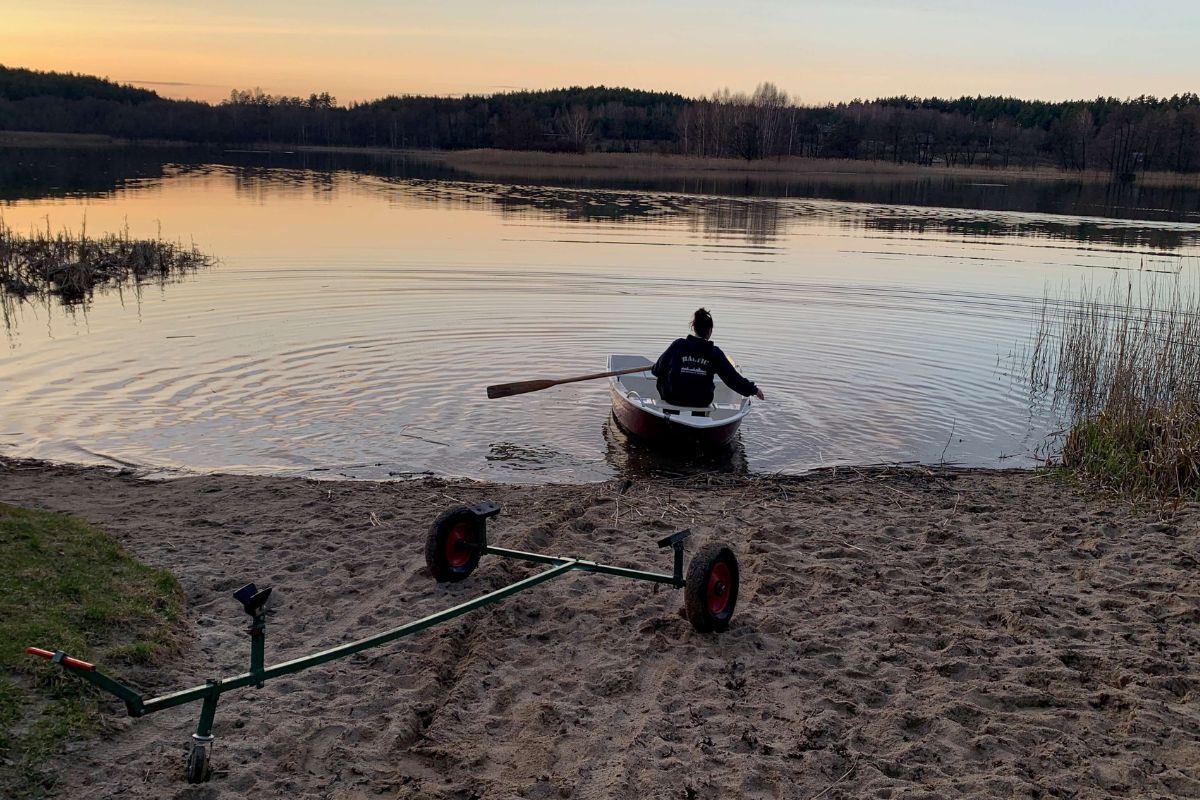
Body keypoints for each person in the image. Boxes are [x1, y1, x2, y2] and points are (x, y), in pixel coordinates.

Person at [652, 308, 764, 407]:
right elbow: (732, 378)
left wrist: (656, 367)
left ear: (693, 327)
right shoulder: (714, 352)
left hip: (673, 398)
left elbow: (657, 370)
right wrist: (753, 390)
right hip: (701, 401)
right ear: (710, 331)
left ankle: (668, 411)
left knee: (663, 376)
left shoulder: (678, 345)